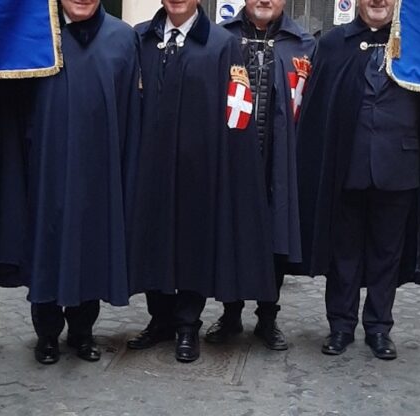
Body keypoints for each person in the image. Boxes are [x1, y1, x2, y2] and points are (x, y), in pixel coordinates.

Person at [296, 0, 420, 360]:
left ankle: (379, 328)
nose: (378, 2)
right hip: (347, 166)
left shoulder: (418, 44)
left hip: (399, 168)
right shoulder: (335, 44)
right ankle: (340, 325)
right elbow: (318, 109)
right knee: (344, 253)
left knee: (387, 253)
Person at [0, 0, 141, 365]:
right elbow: (3, 93)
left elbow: (132, 113)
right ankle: (46, 334)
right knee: (44, 247)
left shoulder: (123, 38)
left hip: (98, 172)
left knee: (90, 248)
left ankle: (82, 332)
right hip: (42, 168)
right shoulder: (33, 36)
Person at [127, 0, 277, 363]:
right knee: (152, 240)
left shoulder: (221, 44)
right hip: (149, 165)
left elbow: (238, 107)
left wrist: (232, 163)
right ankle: (159, 318)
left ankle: (186, 325)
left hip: (200, 167)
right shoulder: (140, 38)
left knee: (191, 244)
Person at [204, 0, 315, 351]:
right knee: (233, 232)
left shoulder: (304, 44)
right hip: (234, 155)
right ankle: (230, 312)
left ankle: (268, 317)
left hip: (281, 158)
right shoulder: (221, 39)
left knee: (276, 237)